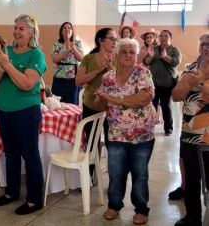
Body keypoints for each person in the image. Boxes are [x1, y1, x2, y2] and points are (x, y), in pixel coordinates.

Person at [0, 14, 46, 215]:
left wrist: (7, 64)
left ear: (31, 32)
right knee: (10, 153)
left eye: (21, 28)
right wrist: (2, 66)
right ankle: (11, 192)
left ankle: (34, 199)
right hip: (3, 109)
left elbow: (26, 84)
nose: (16, 31)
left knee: (30, 155)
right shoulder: (7, 51)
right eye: (15, 27)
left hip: (26, 111)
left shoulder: (36, 55)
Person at [95, 38, 156, 225]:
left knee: (140, 174)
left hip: (141, 135)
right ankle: (114, 205)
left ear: (137, 55)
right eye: (124, 52)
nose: (128, 55)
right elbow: (101, 104)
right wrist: (101, 98)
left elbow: (144, 98)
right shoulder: (108, 77)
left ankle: (141, 209)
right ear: (116, 55)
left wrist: (114, 98)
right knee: (115, 173)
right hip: (115, 134)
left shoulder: (143, 73)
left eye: (132, 52)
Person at [172, 34, 209, 226]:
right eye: (203, 44)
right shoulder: (190, 69)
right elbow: (176, 96)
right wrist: (187, 84)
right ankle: (192, 217)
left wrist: (200, 83)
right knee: (192, 178)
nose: (206, 47)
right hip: (190, 132)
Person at [75, 27, 117, 178]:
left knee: (113, 144)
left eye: (115, 40)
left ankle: (113, 178)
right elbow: (79, 81)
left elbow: (122, 84)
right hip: (91, 105)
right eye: (111, 39)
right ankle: (91, 176)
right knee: (92, 142)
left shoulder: (118, 58)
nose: (114, 42)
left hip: (112, 108)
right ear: (100, 40)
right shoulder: (88, 58)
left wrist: (110, 67)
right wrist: (98, 70)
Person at [143, 29, 182, 136]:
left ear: (170, 38)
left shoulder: (174, 50)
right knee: (152, 106)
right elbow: (145, 62)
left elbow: (176, 62)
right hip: (153, 84)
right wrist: (150, 57)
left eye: (166, 36)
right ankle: (149, 128)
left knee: (165, 106)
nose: (163, 38)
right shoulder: (154, 49)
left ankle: (168, 128)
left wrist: (166, 57)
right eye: (161, 36)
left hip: (167, 84)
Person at [51, 22, 84, 104]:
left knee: (72, 101)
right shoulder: (57, 44)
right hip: (59, 76)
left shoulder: (77, 43)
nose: (67, 29)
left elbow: (81, 59)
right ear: (61, 31)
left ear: (72, 31)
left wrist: (73, 48)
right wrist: (66, 51)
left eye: (69, 28)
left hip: (73, 78)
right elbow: (55, 59)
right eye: (64, 28)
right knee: (58, 101)